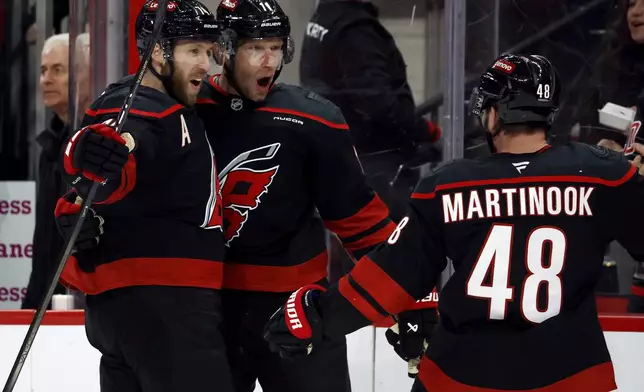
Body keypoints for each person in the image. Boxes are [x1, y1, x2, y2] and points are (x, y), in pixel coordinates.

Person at [264, 54, 644, 391]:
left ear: (492, 114)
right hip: (573, 374)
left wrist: (318, 317)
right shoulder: (602, 174)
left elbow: (388, 279)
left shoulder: (448, 186)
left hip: (463, 375)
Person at [194, 0, 397, 391]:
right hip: (209, 308)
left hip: (295, 309)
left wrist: (406, 289)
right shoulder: (187, 112)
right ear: (223, 48)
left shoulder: (314, 119)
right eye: (255, 48)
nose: (269, 61)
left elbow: (360, 221)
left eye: (276, 47)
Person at [54, 1, 234, 391]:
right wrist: (92, 157)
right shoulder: (140, 108)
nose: (206, 63)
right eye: (193, 51)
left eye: (208, 51)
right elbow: (117, 156)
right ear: (157, 52)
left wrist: (80, 193)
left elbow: (87, 191)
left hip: (124, 313)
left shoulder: (134, 101)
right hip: (167, 310)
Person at [23, 33, 75, 310]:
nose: (46, 79)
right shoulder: (49, 146)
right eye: (44, 71)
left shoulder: (86, 145)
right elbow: (44, 241)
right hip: (46, 296)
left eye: (58, 70)